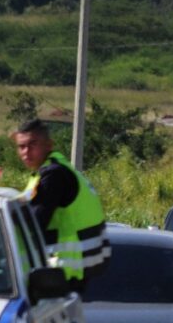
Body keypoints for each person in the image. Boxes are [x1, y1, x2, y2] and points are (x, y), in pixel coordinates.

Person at [11, 119, 109, 289]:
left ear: (49, 145)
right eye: (21, 147)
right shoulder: (52, 170)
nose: (27, 152)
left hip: (65, 269)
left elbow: (36, 223)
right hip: (71, 268)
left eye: (32, 144)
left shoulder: (54, 175)